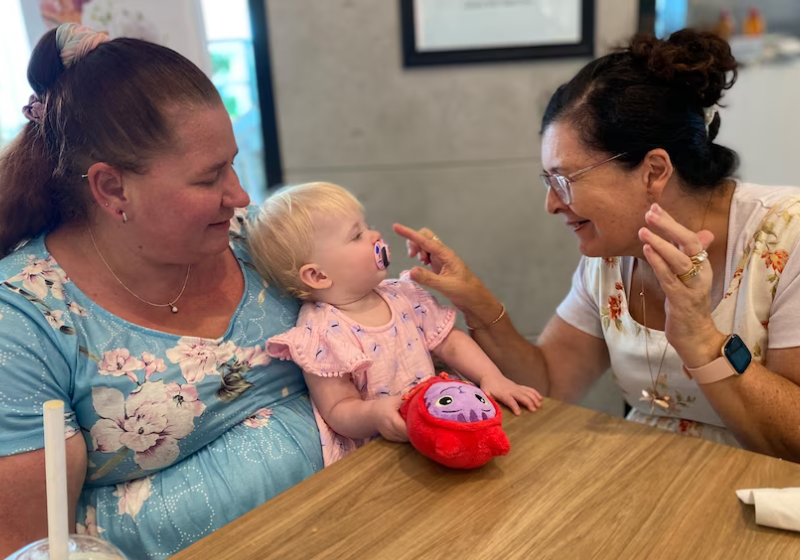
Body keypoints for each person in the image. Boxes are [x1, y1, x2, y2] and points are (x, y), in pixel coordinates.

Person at [395, 29, 800, 462]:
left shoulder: (787, 237)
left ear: (654, 170)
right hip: (643, 483)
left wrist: (701, 337)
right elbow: (549, 383)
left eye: (564, 181)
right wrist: (476, 301)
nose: (551, 204)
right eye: (548, 182)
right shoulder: (611, 254)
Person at [0, 24, 323, 559]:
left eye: (233, 162)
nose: (240, 195)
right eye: (208, 178)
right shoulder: (25, 324)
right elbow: (31, 545)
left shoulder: (256, 245)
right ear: (111, 188)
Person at [248, 182, 541, 466]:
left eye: (367, 225)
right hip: (384, 454)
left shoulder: (403, 295)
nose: (374, 233)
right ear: (318, 276)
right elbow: (337, 409)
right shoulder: (319, 334)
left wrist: (490, 376)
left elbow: (449, 342)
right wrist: (375, 414)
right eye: (357, 235)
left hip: (439, 426)